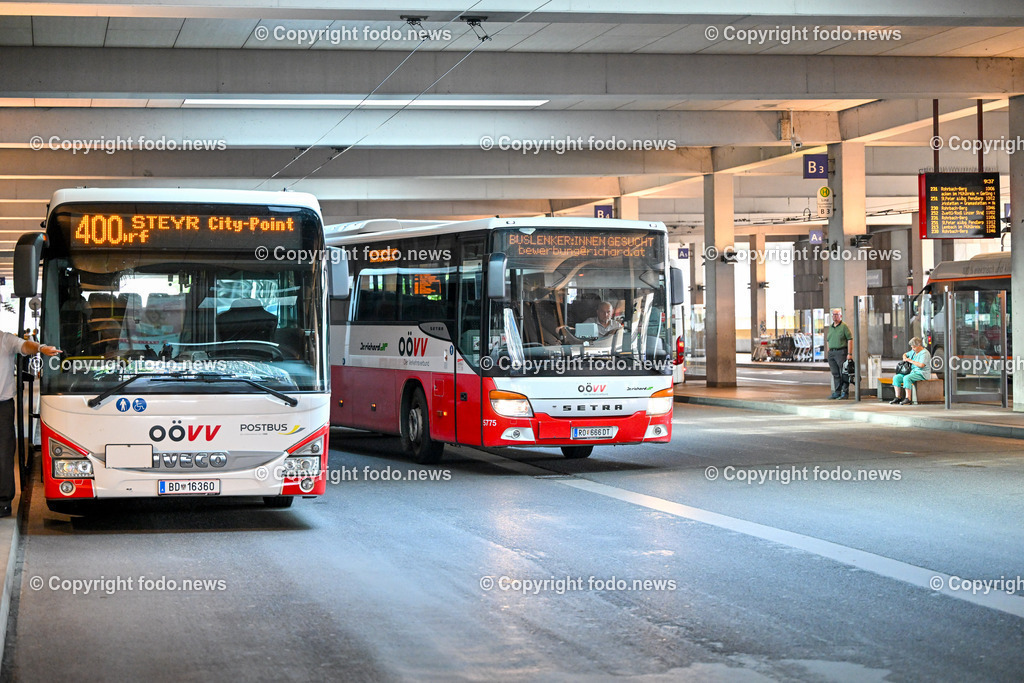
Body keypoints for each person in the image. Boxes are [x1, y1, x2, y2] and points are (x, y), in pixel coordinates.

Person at [0, 333, 61, 517]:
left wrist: (41, 348)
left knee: (3, 453)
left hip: (2, 405)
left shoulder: (5, 340)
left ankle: (3, 502)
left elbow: (25, 346)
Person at [890, 337, 932, 405]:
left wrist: (911, 361)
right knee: (896, 378)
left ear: (919, 345)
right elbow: (905, 354)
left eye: (914, 347)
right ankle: (898, 397)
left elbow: (921, 365)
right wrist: (905, 357)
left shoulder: (924, 353)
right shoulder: (913, 351)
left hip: (921, 373)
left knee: (907, 378)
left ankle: (908, 398)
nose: (913, 349)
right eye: (912, 347)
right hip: (912, 372)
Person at [826, 307, 854, 399]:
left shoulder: (844, 326)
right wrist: (828, 350)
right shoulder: (830, 327)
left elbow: (850, 339)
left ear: (841, 316)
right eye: (833, 315)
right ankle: (837, 392)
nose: (834, 316)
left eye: (836, 314)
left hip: (841, 352)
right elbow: (828, 339)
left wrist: (849, 354)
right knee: (835, 374)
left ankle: (845, 393)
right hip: (832, 353)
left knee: (843, 373)